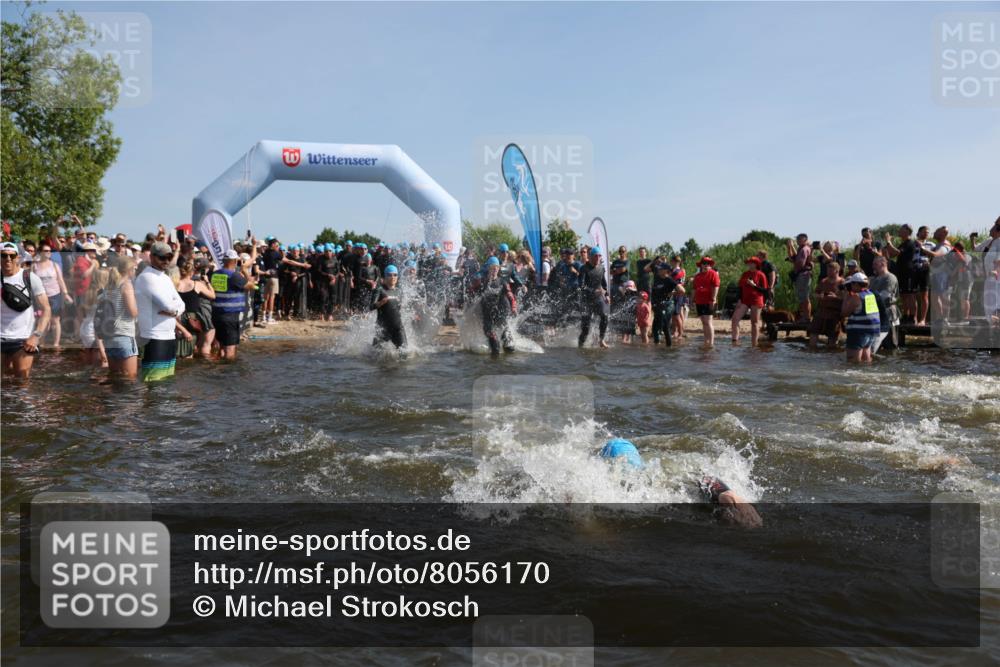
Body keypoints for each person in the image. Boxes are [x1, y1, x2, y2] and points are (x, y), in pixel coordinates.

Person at [134, 242, 187, 381]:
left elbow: (182, 304)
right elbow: (168, 306)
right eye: (162, 258)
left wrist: (174, 312)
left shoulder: (165, 278)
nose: (166, 261)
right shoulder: (147, 277)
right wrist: (174, 309)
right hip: (153, 337)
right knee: (154, 383)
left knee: (167, 382)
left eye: (169, 257)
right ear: (151, 257)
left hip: (168, 335)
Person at [1, 241, 51, 379]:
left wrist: (36, 335)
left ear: (18, 257)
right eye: (4, 255)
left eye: (12, 256)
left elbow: (46, 309)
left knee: (22, 382)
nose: (8, 259)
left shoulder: (29, 278)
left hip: (23, 340)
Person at [96, 254, 140, 379]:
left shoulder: (108, 287)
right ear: (128, 270)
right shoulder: (126, 285)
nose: (135, 271)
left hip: (110, 338)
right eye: (134, 269)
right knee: (130, 378)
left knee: (114, 378)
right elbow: (132, 312)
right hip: (124, 335)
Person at [211, 249, 256, 360]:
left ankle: (219, 372)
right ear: (235, 261)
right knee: (230, 349)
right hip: (229, 316)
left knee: (221, 347)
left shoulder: (215, 274)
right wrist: (245, 269)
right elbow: (251, 286)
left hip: (216, 314)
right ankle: (229, 373)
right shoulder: (234, 276)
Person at [31, 240, 71, 351]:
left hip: (55, 294)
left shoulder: (54, 265)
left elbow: (60, 280)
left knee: (55, 320)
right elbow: (31, 281)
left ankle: (55, 344)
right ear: (40, 252)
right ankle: (41, 343)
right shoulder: (35, 265)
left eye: (50, 251)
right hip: (40, 296)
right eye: (46, 251)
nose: (48, 253)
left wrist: (66, 294)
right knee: (42, 320)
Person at [476, 256, 519, 355]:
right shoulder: (482, 282)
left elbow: (510, 296)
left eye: (496, 267)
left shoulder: (502, 282)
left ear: (498, 269)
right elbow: (472, 295)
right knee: (495, 346)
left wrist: (513, 307)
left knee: (509, 347)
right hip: (487, 313)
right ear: (488, 269)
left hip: (500, 311)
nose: (494, 270)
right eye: (492, 267)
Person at [176, 258, 216, 357]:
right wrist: (207, 282)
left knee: (180, 342)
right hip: (192, 317)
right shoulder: (196, 284)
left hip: (178, 317)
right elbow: (212, 295)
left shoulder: (175, 284)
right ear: (192, 272)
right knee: (192, 341)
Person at [882, 224, 919, 324]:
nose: (899, 231)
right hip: (901, 272)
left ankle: (912, 317)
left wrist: (889, 241)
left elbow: (897, 252)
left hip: (908, 272)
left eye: (901, 229)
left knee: (910, 295)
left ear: (907, 231)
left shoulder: (910, 243)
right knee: (903, 295)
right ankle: (906, 316)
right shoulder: (902, 244)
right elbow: (893, 254)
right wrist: (887, 247)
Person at [841, 272, 881, 364]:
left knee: (852, 361)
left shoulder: (856, 297)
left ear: (856, 284)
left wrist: (846, 296)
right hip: (871, 332)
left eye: (851, 284)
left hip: (858, 332)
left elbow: (844, 312)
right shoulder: (870, 295)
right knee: (866, 359)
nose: (850, 286)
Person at [731, 256, 768, 347]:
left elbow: (765, 290)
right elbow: (740, 288)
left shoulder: (761, 274)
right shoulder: (745, 274)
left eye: (752, 262)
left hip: (756, 300)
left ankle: (754, 344)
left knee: (754, 322)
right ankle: (735, 341)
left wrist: (754, 285)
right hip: (745, 300)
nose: (749, 264)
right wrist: (739, 299)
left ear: (756, 264)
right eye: (749, 263)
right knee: (735, 319)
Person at [578, 246, 610, 348]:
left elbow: (604, 284)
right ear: (590, 256)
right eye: (595, 256)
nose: (597, 258)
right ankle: (580, 345)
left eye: (599, 256)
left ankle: (601, 340)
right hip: (586, 299)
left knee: (605, 316)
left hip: (598, 298)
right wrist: (592, 290)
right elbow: (581, 285)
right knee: (586, 328)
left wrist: (607, 295)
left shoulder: (601, 268)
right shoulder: (584, 268)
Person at [809, 260, 844, 350]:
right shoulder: (823, 281)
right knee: (814, 331)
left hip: (835, 313)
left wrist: (836, 297)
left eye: (830, 270)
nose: (828, 272)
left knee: (833, 337)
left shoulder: (842, 282)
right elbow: (815, 293)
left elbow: (847, 298)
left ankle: (830, 356)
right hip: (821, 311)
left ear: (836, 271)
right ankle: (812, 353)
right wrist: (819, 296)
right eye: (827, 270)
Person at [371, 264, 407, 351]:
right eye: (389, 275)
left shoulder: (399, 291)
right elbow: (371, 306)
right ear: (385, 277)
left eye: (395, 275)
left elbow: (400, 308)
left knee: (405, 353)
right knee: (374, 355)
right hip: (383, 328)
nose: (392, 277)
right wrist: (382, 302)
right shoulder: (379, 290)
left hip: (398, 328)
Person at [649, 261, 684, 346]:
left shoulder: (669, 280)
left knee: (665, 326)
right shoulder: (657, 278)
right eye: (659, 268)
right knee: (655, 327)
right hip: (657, 306)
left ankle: (669, 347)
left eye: (661, 269)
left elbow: (682, 290)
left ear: (666, 270)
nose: (659, 270)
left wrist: (672, 293)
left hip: (667, 305)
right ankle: (657, 346)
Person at [870, 256, 899, 353]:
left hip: (888, 313)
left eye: (875, 264)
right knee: (876, 344)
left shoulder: (890, 277)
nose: (873, 266)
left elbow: (885, 296)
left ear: (882, 264)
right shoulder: (874, 279)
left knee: (890, 344)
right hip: (876, 313)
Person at [692, 256, 720, 346]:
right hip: (699, 301)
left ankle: (711, 343)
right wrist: (693, 300)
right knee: (704, 322)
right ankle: (706, 341)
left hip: (709, 301)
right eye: (704, 263)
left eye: (708, 264)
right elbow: (694, 289)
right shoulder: (697, 276)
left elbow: (716, 286)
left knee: (708, 321)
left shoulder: (713, 274)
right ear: (701, 265)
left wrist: (713, 299)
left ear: (710, 265)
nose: (705, 265)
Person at [786, 233, 813, 322]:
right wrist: (789, 247)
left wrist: (794, 266)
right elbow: (792, 258)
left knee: (805, 297)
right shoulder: (800, 249)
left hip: (804, 275)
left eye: (799, 238)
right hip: (801, 275)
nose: (797, 240)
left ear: (805, 239)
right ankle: (804, 317)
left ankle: (807, 317)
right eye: (797, 238)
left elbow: (799, 263)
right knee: (802, 297)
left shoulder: (804, 249)